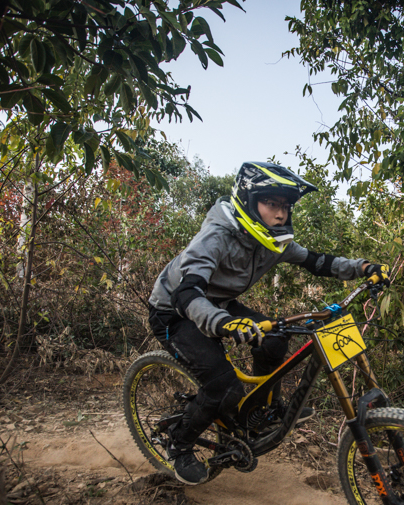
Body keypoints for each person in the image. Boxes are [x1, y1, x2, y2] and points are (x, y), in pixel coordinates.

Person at [148, 161, 388, 485]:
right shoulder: (216, 235)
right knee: (223, 386)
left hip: (219, 304)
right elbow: (187, 293)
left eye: (286, 206)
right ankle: (177, 443)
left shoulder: (275, 241)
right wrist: (223, 323)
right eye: (272, 203)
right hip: (175, 310)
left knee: (275, 341)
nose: (280, 214)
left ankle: (263, 408)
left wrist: (363, 267)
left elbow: (318, 262)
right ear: (249, 201)